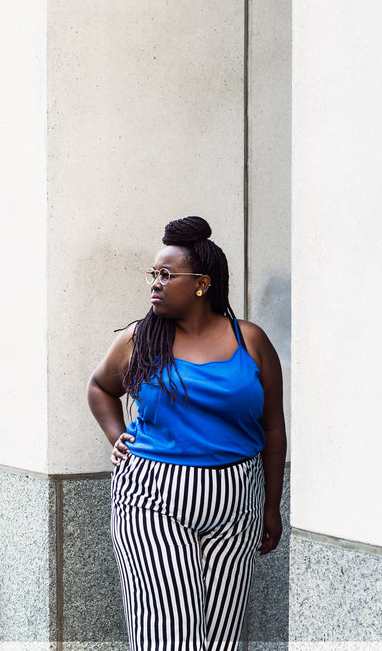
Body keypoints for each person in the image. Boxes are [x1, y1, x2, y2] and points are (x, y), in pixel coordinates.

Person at [86, 216, 286, 651]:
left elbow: (273, 428)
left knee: (220, 640)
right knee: (169, 638)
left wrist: (272, 507)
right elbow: (100, 387)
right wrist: (116, 434)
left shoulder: (251, 341)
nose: (155, 284)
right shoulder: (139, 339)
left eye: (166, 274)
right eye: (153, 274)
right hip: (152, 497)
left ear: (201, 284)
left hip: (237, 502)